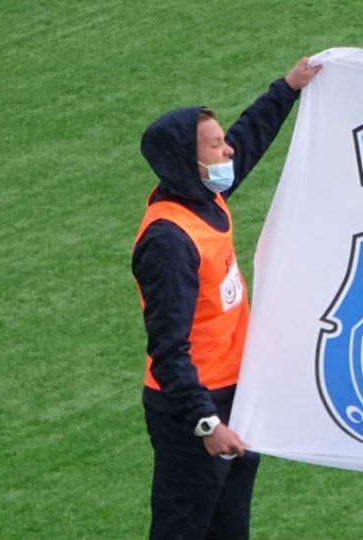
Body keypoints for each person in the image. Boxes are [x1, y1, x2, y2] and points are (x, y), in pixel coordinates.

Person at [132, 56, 321, 540]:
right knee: (180, 530)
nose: (228, 150)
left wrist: (289, 87)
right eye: (215, 145)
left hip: (239, 391)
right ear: (187, 161)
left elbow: (248, 138)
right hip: (195, 410)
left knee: (230, 528)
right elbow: (168, 349)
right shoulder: (169, 243)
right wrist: (205, 423)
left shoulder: (203, 195)